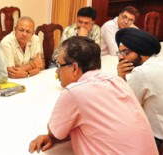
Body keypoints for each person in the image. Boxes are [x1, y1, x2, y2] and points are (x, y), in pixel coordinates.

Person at [28, 36, 158, 154]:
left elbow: (57, 132)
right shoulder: (117, 81)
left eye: (60, 65)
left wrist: (51, 136)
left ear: (74, 67)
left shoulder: (75, 92)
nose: (57, 71)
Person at [116, 28, 162, 151]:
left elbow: (126, 107)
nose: (121, 57)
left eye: (126, 52)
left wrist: (121, 76)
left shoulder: (141, 72)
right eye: (120, 52)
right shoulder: (159, 61)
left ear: (141, 51)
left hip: (156, 138)